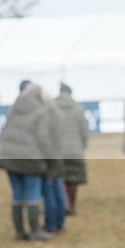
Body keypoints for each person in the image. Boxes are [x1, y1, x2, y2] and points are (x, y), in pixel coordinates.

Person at [0, 82, 53, 241]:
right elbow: (43, 138)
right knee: (33, 193)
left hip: (9, 157)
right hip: (30, 159)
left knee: (17, 194)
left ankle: (19, 231)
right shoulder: (41, 112)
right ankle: (35, 231)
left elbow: (3, 131)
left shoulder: (13, 108)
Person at [55, 83, 88, 215]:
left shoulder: (53, 106)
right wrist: (83, 145)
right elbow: (84, 130)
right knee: (74, 179)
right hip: (75, 150)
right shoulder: (78, 108)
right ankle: (72, 206)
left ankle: (65, 204)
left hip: (58, 151)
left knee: (61, 178)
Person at [40, 92, 66, 234]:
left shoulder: (45, 115)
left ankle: (50, 224)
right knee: (57, 190)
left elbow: (43, 138)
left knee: (49, 191)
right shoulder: (58, 112)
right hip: (58, 155)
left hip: (49, 157)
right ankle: (60, 222)